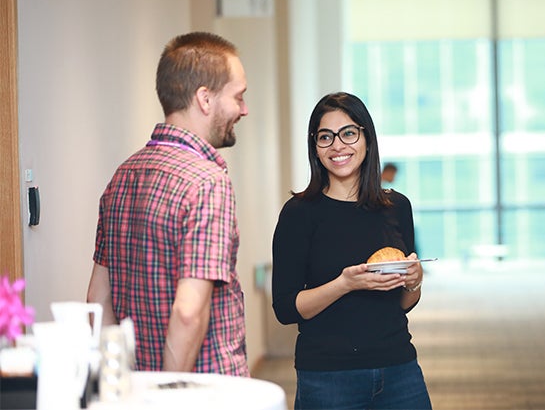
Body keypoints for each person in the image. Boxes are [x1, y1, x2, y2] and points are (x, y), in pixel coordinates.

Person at [86, 32, 249, 376]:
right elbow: (189, 312)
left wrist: (122, 387)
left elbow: (98, 301)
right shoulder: (207, 183)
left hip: (137, 386)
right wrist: (169, 394)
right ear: (205, 99)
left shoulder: (123, 176)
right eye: (239, 97)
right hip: (203, 393)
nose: (244, 110)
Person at [272, 92, 432, 409]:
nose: (338, 146)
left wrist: (414, 280)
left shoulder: (397, 207)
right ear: (314, 147)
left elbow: (402, 304)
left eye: (348, 133)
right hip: (329, 377)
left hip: (398, 368)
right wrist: (345, 284)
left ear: (366, 139)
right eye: (325, 137)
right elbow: (286, 308)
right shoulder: (299, 213)